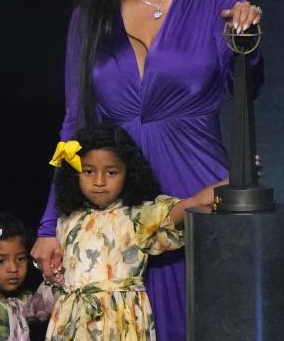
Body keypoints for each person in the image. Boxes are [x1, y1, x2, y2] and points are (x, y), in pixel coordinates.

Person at [31, 0, 263, 340]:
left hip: (200, 192)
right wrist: (50, 223)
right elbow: (75, 122)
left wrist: (247, 44)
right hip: (119, 210)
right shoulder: (92, 13)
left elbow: (247, 91)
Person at [44, 123, 217, 340]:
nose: (99, 181)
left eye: (111, 172)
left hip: (120, 323)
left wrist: (239, 180)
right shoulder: (66, 221)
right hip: (71, 324)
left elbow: (195, 203)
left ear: (128, 173)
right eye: (88, 171)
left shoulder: (137, 216)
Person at [0, 212, 57, 341]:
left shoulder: (23, 301)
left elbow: (48, 303)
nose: (13, 268)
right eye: (1, 261)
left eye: (20, 258)